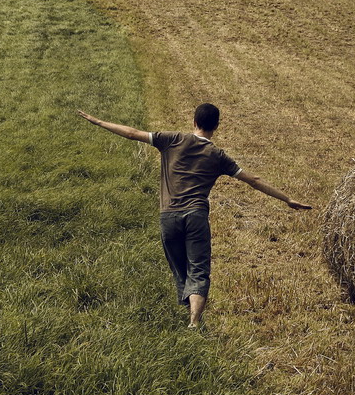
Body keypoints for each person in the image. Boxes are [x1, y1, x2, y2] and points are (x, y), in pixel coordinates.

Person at [77, 103, 311, 328]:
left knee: (180, 269)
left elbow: (131, 133)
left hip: (168, 216)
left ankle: (189, 316)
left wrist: (97, 121)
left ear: (195, 121)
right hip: (196, 217)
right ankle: (194, 322)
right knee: (198, 270)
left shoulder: (172, 139)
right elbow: (253, 180)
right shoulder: (218, 155)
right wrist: (287, 199)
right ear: (216, 126)